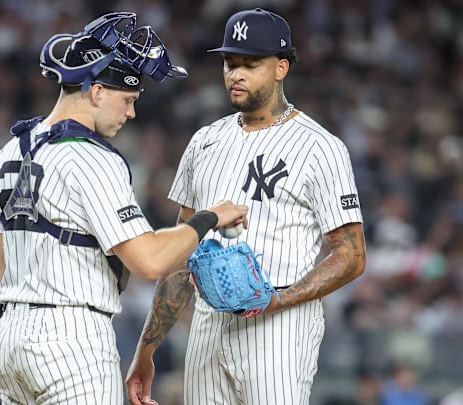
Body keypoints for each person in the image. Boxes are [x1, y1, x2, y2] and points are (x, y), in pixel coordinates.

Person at [0, 12, 249, 405]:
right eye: (128, 100)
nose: (131, 113)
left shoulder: (6, 155)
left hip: (8, 345)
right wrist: (209, 217)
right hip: (71, 340)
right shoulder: (93, 158)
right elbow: (149, 261)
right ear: (96, 93)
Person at [126, 8, 366, 405]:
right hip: (207, 324)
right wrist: (147, 349)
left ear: (281, 68)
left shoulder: (320, 147)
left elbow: (352, 256)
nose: (235, 73)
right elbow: (179, 258)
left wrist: (279, 300)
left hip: (280, 327)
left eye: (250, 64)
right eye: (229, 62)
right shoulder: (204, 142)